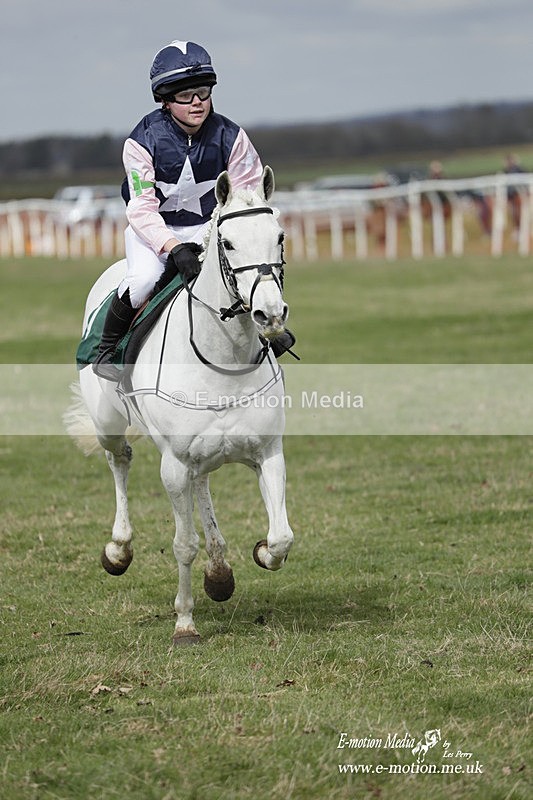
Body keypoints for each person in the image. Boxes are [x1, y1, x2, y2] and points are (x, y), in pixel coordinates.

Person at [93, 39, 293, 381]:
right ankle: (108, 349)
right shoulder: (141, 141)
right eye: (185, 95)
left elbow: (249, 198)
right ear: (166, 100)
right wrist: (173, 247)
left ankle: (270, 330)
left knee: (244, 271)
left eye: (202, 92)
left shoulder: (232, 137)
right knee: (143, 280)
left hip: (210, 228)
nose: (197, 102)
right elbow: (141, 208)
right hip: (155, 230)